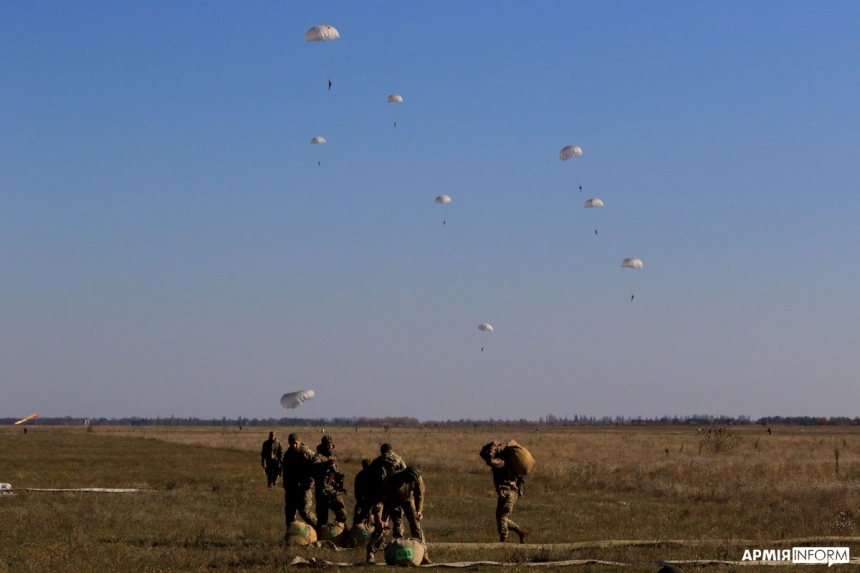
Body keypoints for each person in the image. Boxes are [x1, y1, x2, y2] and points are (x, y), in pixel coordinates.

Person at [365, 467, 430, 564]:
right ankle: (371, 554)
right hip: (388, 501)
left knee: (416, 525)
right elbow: (379, 501)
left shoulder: (417, 478)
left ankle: (424, 555)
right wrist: (378, 519)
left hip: (407, 499)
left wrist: (419, 510)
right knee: (380, 528)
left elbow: (420, 494)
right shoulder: (392, 480)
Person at [480, 441, 527, 543]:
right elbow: (483, 454)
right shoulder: (502, 461)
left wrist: (492, 448)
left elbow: (490, 461)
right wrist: (490, 445)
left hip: (509, 492)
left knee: (502, 517)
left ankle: (503, 540)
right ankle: (520, 531)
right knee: (500, 517)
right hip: (504, 492)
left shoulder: (502, 462)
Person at [281, 433, 318, 532]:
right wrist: (286, 484)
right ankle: (292, 534)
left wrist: (310, 482)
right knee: (289, 513)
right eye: (292, 443)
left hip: (304, 488)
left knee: (305, 511)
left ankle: (319, 529)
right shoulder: (288, 454)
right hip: (291, 488)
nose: (294, 445)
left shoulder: (307, 453)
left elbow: (318, 466)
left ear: (300, 442)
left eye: (296, 443)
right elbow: (285, 470)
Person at [313, 434, 348, 527]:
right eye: (327, 445)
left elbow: (335, 473)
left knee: (342, 514)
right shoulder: (318, 456)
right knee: (322, 519)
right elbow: (315, 466)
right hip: (322, 492)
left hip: (333, 490)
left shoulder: (334, 457)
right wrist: (326, 464)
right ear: (323, 445)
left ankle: (337, 532)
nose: (330, 447)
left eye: (331, 445)